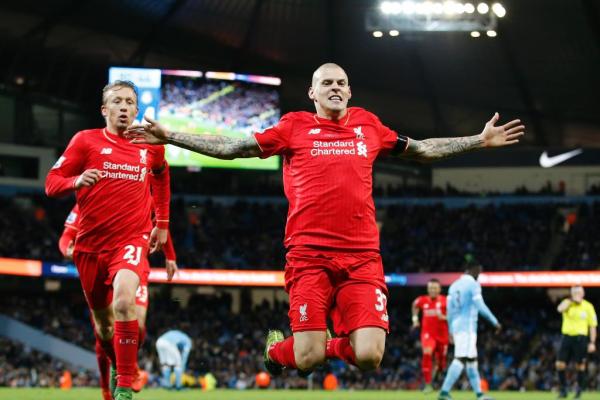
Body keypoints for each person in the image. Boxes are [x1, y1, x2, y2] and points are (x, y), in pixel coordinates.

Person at [125, 63, 525, 377]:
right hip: (309, 257)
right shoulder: (293, 127)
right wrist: (172, 136)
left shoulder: (370, 125)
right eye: (326, 82)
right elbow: (232, 147)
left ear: (349, 91)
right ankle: (277, 350)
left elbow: (422, 149)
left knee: (369, 355)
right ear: (312, 92)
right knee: (309, 358)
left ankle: (315, 344)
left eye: (342, 82)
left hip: (363, 258)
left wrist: (478, 139)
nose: (335, 87)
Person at [46, 80, 171, 400]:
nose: (124, 107)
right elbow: (51, 182)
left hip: (130, 240)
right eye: (117, 101)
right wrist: (76, 180)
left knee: (125, 301)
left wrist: (163, 225)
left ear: (136, 110)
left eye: (130, 102)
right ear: (105, 110)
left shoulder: (149, 144)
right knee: (104, 328)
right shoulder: (85, 142)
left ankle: (125, 385)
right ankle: (117, 364)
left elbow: (161, 175)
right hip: (90, 248)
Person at [57, 200, 178, 397]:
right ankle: (109, 383)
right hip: (99, 266)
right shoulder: (85, 202)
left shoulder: (137, 191)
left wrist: (170, 255)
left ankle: (127, 367)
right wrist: (67, 250)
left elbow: (161, 224)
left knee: (136, 323)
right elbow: (66, 236)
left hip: (132, 263)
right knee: (104, 329)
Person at [439, 262, 501, 400]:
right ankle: (444, 392)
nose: (479, 275)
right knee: (460, 358)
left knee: (472, 360)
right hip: (467, 327)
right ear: (473, 270)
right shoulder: (473, 284)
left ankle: (479, 394)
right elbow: (480, 305)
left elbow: (449, 311)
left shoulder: (454, 286)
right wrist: (494, 321)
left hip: (457, 326)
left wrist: (450, 330)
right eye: (479, 272)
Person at [555, 285, 597, 399]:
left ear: (583, 294)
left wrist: (592, 342)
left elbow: (592, 326)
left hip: (581, 338)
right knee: (560, 364)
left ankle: (579, 391)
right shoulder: (567, 303)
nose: (578, 294)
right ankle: (564, 389)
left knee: (580, 366)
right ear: (572, 294)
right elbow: (559, 309)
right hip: (567, 337)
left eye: (580, 292)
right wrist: (571, 300)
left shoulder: (588, 306)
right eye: (575, 292)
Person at [412, 278, 449, 392]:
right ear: (428, 289)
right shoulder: (422, 300)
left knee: (441, 364)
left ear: (439, 289)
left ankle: (437, 374)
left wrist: (444, 317)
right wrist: (415, 319)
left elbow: (454, 316)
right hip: (428, 335)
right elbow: (414, 305)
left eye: (435, 288)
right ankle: (428, 384)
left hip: (443, 336)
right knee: (427, 353)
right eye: (430, 288)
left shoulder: (446, 301)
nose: (432, 290)